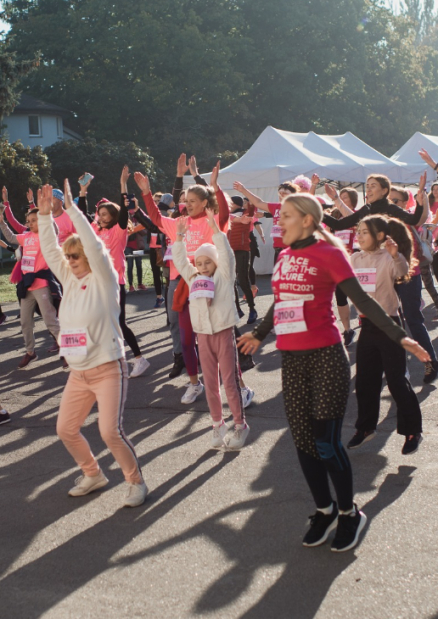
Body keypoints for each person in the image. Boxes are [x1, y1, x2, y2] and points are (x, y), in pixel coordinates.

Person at [237, 193, 428, 552]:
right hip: (292, 360)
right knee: (304, 444)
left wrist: (402, 338)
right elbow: (280, 299)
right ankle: (323, 510)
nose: (281, 221)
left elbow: (364, 300)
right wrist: (259, 334)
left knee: (326, 442)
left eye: (289, 215)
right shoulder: (284, 258)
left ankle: (348, 512)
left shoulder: (330, 253)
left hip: (325, 357)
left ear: (308, 220)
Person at [37, 180, 148, 507]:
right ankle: (93, 473)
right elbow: (49, 249)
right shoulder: (69, 278)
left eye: (75, 255)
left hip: (107, 369)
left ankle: (135, 482)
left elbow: (96, 248)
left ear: (87, 255)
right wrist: (46, 218)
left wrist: (72, 208)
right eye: (68, 256)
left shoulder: (105, 279)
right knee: (65, 430)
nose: (69, 260)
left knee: (109, 432)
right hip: (78, 373)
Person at [134, 158, 231, 405]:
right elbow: (156, 218)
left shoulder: (212, 221)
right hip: (182, 283)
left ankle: (231, 379)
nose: (186, 205)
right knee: (186, 337)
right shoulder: (179, 223)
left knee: (215, 335)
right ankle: (193, 383)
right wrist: (146, 193)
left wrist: (214, 186)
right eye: (185, 201)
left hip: (210, 284)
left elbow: (224, 212)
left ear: (204, 204)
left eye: (192, 201)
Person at [172, 210, 250, 448]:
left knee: (229, 382)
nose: (203, 266)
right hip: (203, 337)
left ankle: (240, 424)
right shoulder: (193, 278)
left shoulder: (224, 276)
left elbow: (227, 255)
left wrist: (216, 232)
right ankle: (217, 424)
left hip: (223, 333)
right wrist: (179, 238)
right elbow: (180, 262)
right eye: (200, 262)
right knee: (211, 385)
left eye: (208, 262)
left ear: (216, 262)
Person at [348, 215, 423, 454]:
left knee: (397, 381)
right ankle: (365, 428)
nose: (358, 235)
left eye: (364, 232)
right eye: (357, 231)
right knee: (365, 381)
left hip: (389, 325)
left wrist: (394, 254)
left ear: (380, 236)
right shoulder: (354, 258)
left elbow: (402, 273)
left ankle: (413, 431)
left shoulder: (389, 258)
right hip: (366, 326)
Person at [90, 167, 150, 379]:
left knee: (119, 323)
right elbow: (80, 215)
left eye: (105, 214)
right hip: (98, 284)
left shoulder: (118, 230)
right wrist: (81, 192)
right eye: (100, 214)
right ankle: (111, 360)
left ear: (113, 216)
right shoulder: (97, 231)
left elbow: (124, 212)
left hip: (116, 283)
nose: (101, 217)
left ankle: (139, 359)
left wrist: (123, 186)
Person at [0, 206, 61, 369]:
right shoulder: (26, 236)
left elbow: (54, 231)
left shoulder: (46, 237)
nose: (31, 223)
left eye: (35, 220)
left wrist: (47, 215)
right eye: (29, 221)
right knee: (26, 322)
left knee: (50, 321)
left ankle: (68, 349)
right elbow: (11, 237)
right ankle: (30, 352)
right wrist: (2, 223)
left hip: (41, 285)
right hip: (26, 286)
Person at [232, 180, 299, 264]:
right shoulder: (276, 207)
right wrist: (243, 190)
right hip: (278, 248)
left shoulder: (298, 208)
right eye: (280, 193)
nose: (281, 195)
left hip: (293, 249)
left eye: (285, 193)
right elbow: (258, 202)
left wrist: (313, 185)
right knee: (278, 276)